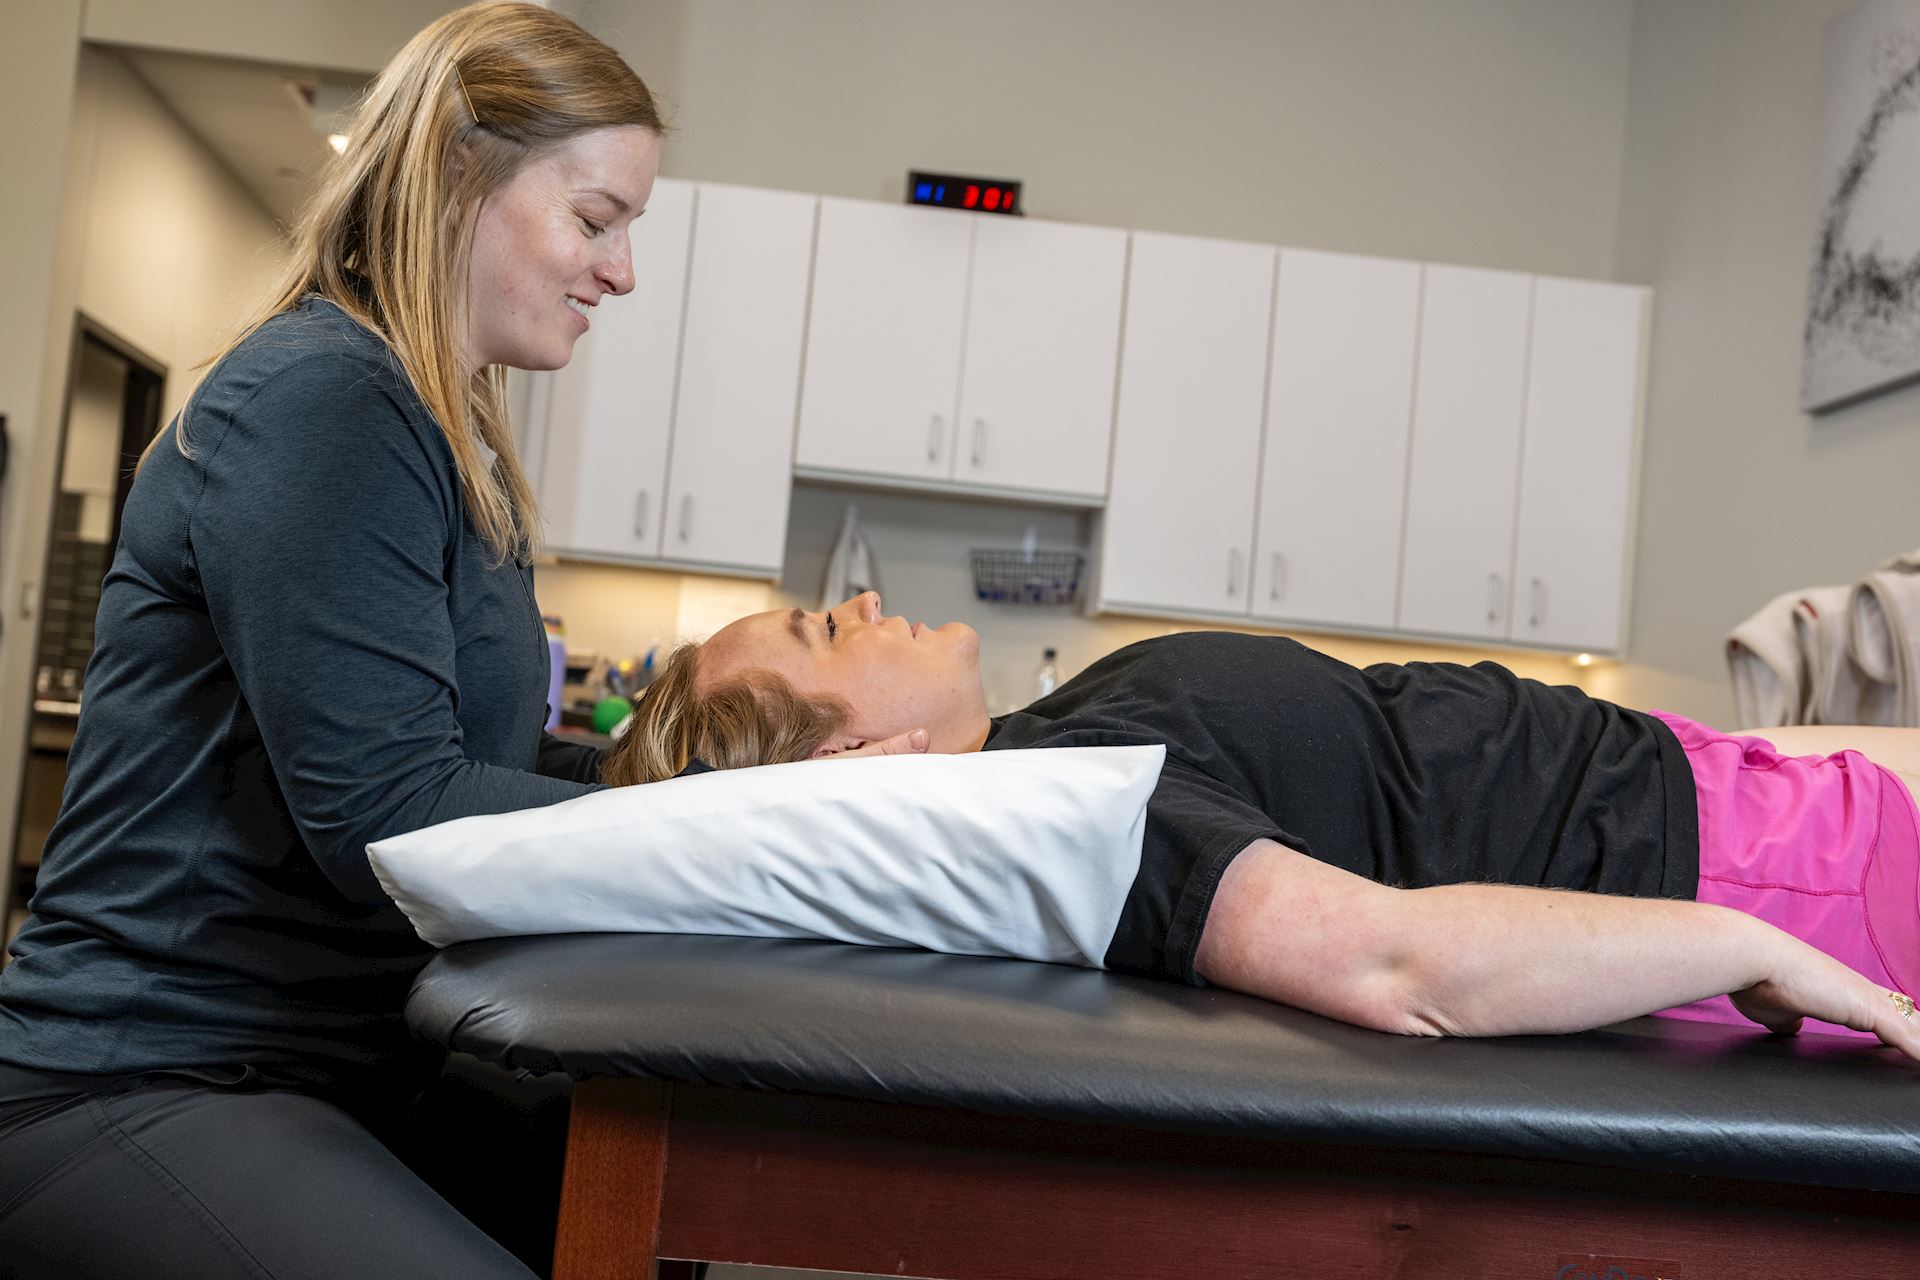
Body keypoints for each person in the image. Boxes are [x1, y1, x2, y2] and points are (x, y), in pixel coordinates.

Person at [0, 7, 924, 1278]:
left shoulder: (446, 431)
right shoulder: (326, 400)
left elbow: (473, 758)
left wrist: (743, 793)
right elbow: (395, 809)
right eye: (596, 220)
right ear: (452, 176)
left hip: (344, 1065)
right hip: (153, 1073)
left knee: (682, 1200)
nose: (621, 271)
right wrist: (744, 820)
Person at [603, 589, 1920, 1063]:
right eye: (828, 630)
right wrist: (1752, 940)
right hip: (1764, 885)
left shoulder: (1052, 743)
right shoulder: (1068, 813)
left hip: (1747, 799)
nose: (866, 597)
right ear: (858, 756)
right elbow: (1401, 967)